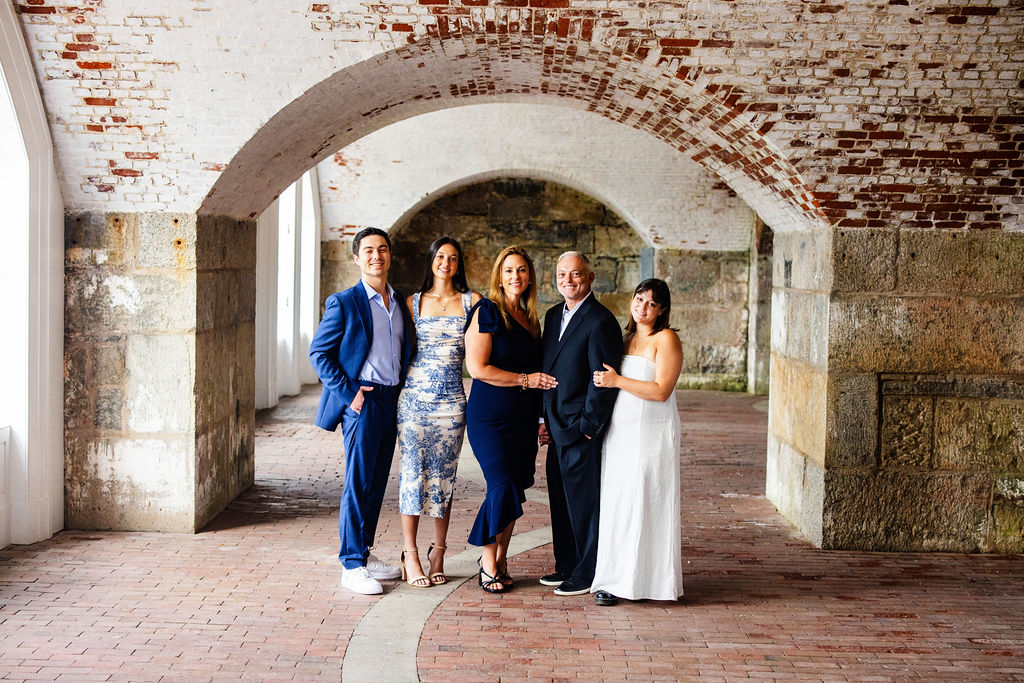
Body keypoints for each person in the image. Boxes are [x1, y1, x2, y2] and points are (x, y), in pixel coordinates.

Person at [309, 226, 413, 595]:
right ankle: (350, 564)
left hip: (391, 400)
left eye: (382, 249)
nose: (376, 256)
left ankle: (365, 555)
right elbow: (318, 353)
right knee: (358, 484)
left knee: (375, 483)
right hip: (363, 401)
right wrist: (350, 394)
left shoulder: (399, 302)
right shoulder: (345, 301)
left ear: (389, 255)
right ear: (357, 257)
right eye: (368, 250)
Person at [464, 246, 557, 593]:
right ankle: (487, 560)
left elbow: (541, 375)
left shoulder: (531, 319)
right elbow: (478, 368)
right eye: (508, 271)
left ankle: (501, 558)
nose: (514, 277)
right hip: (490, 417)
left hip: (522, 418)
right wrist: (525, 379)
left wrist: (539, 418)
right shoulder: (487, 311)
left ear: (529, 276)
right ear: (498, 278)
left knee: (514, 487)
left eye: (521, 270)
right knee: (501, 484)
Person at [590, 278, 684, 606]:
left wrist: (616, 380)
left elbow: (661, 391)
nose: (642, 307)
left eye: (651, 303)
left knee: (645, 500)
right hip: (621, 433)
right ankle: (613, 579)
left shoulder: (666, 339)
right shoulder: (625, 338)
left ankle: (649, 581)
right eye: (639, 299)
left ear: (662, 310)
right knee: (618, 504)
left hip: (652, 434)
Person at [395, 236, 481, 588]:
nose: (446, 262)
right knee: (413, 475)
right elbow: (395, 349)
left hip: (452, 401)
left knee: (444, 478)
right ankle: (410, 553)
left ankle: (440, 552)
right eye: (440, 256)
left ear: (459, 264)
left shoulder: (472, 301)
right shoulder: (412, 302)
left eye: (453, 258)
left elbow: (482, 350)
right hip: (414, 400)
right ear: (431, 260)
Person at [538, 252, 622, 597]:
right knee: (560, 499)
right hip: (555, 425)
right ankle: (567, 564)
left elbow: (600, 378)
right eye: (561, 274)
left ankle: (588, 571)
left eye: (575, 274)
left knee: (585, 505)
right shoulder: (552, 315)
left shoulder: (600, 320)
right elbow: (549, 368)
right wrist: (542, 418)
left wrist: (588, 426)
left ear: (589, 278)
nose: (567, 280)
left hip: (579, 428)